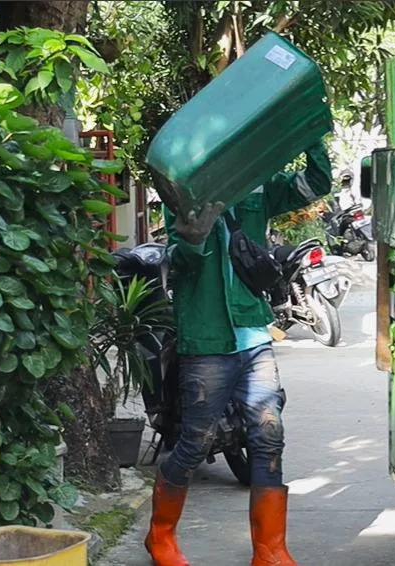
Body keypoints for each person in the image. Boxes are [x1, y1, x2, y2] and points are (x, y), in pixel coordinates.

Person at [146, 140, 333, 566]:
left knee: (269, 436)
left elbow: (315, 182)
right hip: (207, 336)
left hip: (252, 331)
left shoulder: (258, 188)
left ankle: (270, 549)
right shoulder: (184, 194)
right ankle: (161, 538)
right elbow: (180, 266)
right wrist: (192, 241)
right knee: (195, 441)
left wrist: (310, 134)